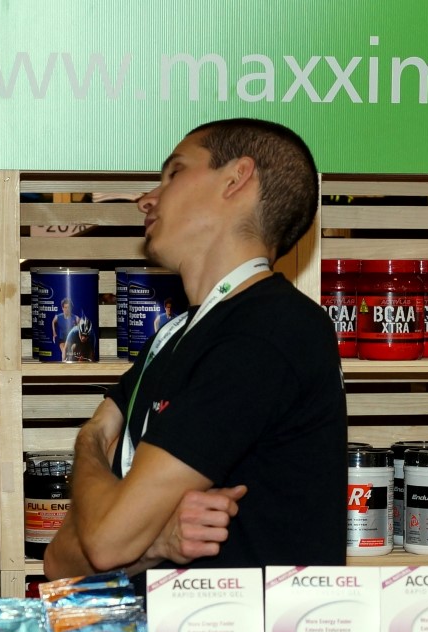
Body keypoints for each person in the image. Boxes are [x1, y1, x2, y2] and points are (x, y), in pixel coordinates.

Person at [45, 118, 345, 577]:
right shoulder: (175, 337)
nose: (147, 199)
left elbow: (105, 543)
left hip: (249, 626)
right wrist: (155, 541)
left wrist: (89, 439)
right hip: (159, 623)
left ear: (236, 178)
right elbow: (60, 561)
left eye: (174, 173)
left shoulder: (270, 329)